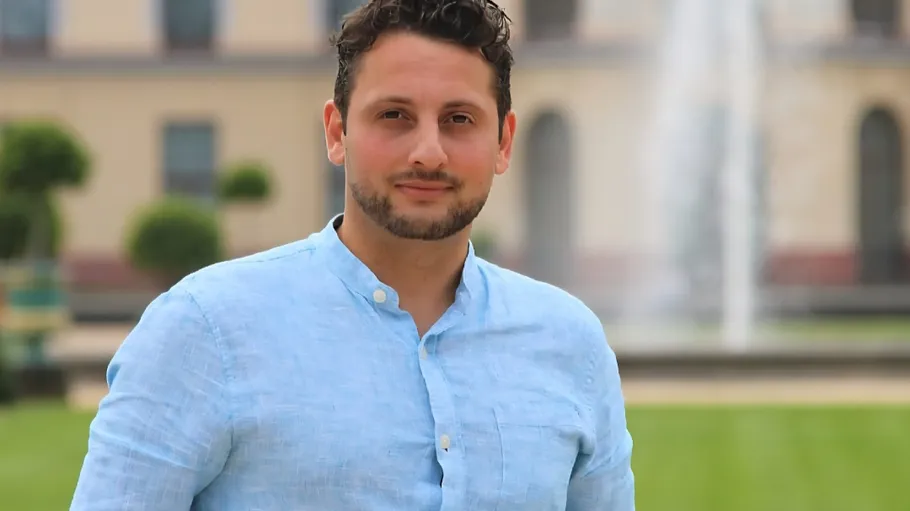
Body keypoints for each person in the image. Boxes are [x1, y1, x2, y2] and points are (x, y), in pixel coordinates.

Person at [69, 0, 635, 509]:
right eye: (395, 116)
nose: (428, 152)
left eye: (459, 120)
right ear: (337, 132)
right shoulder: (205, 330)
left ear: (503, 142)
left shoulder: (572, 346)